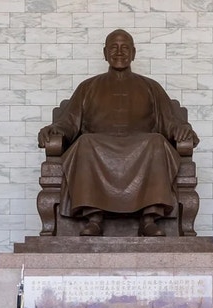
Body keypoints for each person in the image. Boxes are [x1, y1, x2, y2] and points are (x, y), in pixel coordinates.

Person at [37, 29, 199, 237]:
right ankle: (94, 217)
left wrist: (183, 130)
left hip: (142, 146)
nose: (119, 52)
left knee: (157, 142)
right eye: (114, 47)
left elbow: (170, 121)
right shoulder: (88, 87)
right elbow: (69, 121)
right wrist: (54, 129)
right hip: (97, 146)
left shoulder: (151, 87)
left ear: (133, 53)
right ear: (105, 53)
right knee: (85, 142)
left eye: (125, 48)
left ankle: (149, 218)